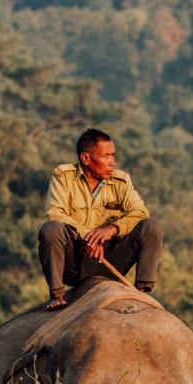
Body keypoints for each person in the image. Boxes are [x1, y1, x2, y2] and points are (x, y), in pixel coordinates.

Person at [39, 128, 162, 311]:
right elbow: (55, 212)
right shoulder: (62, 177)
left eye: (113, 156)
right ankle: (57, 294)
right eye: (106, 156)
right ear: (86, 158)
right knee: (51, 229)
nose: (112, 162)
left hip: (109, 260)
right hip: (75, 262)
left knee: (151, 226)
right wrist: (88, 237)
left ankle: (141, 291)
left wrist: (112, 229)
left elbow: (140, 211)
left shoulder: (122, 181)